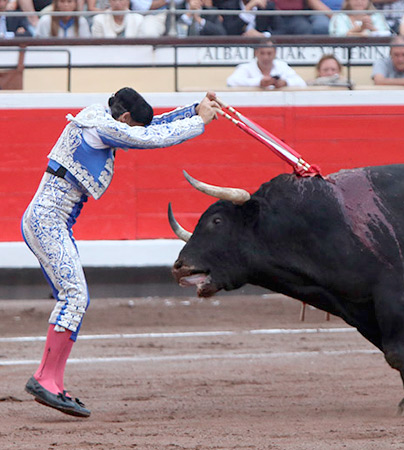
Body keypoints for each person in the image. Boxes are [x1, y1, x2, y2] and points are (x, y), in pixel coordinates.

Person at [22, 88, 221, 418]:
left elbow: (151, 127)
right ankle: (45, 379)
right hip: (47, 221)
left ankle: (51, 380)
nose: (134, 129)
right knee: (74, 298)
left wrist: (193, 109)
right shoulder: (101, 126)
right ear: (125, 117)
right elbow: (151, 138)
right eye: (133, 124)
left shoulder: (101, 119)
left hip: (51, 221)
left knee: (74, 298)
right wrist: (199, 122)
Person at [226, 40, 307, 88]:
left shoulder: (282, 66)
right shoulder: (246, 67)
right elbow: (231, 81)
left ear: (275, 53)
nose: (266, 57)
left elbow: (301, 83)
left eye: (269, 53)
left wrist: (285, 83)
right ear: (256, 53)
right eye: (262, 53)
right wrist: (259, 82)